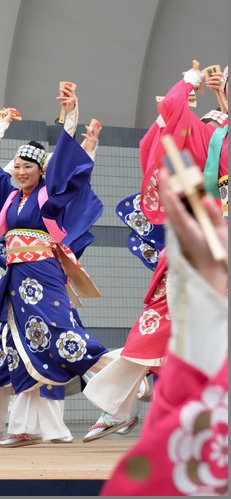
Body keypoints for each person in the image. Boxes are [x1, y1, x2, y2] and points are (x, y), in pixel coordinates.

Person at [0, 86, 112, 447]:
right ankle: (21, 427)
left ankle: (120, 373)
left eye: (27, 168)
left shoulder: (47, 196)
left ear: (42, 172)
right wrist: (1, 128)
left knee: (58, 336)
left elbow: (68, 168)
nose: (20, 172)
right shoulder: (12, 200)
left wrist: (71, 116)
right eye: (17, 167)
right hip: (16, 277)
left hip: (43, 273)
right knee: (20, 346)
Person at [83, 64, 228, 440]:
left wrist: (200, 87)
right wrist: (196, 85)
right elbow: (173, 119)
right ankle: (121, 399)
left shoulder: (211, 145)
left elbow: (172, 119)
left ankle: (126, 399)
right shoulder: (207, 144)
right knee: (158, 328)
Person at [101, 168, 227, 496]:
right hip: (169, 305)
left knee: (146, 357)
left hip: (186, 305)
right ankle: (122, 407)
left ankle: (120, 407)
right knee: (147, 356)